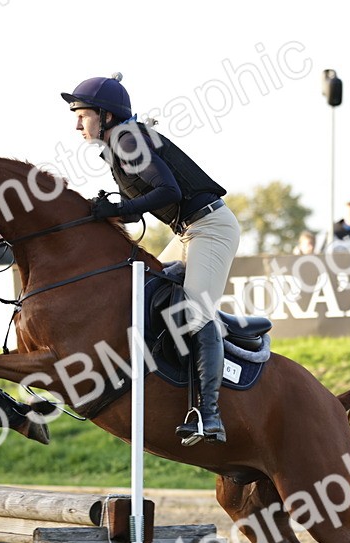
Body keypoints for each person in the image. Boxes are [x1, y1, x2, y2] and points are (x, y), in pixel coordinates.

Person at [63, 73, 240, 446]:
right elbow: (145, 203)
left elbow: (167, 190)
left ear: (106, 115)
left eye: (82, 114)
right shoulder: (120, 141)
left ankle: (209, 415)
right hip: (188, 231)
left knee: (196, 313)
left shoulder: (128, 140)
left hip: (210, 227)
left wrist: (117, 209)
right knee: (141, 287)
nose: (77, 123)